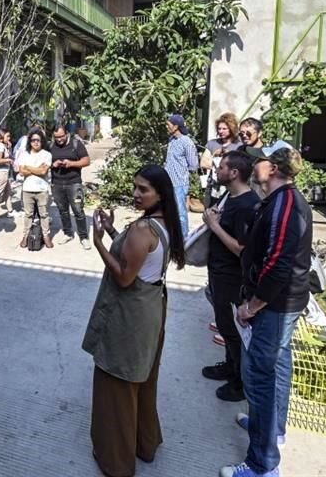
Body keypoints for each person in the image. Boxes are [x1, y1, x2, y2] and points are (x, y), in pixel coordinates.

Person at [83, 165, 186, 477]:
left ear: (160, 194)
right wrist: (116, 232)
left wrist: (99, 241)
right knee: (143, 381)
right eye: (135, 187)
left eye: (144, 189)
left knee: (118, 384)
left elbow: (126, 276)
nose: (136, 194)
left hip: (131, 318)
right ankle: (146, 443)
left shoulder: (143, 230)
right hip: (151, 310)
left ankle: (116, 461)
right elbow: (140, 262)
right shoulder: (163, 223)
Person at [220, 141, 312, 477]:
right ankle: (270, 430)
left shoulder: (285, 204)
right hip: (280, 302)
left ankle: (262, 464)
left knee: (259, 376)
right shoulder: (278, 201)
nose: (254, 165)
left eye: (259, 162)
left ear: (272, 169)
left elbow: (278, 264)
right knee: (274, 367)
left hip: (276, 305)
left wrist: (252, 306)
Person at [200, 152, 260, 403]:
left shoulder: (248, 204)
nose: (218, 169)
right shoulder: (230, 196)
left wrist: (214, 225)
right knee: (224, 324)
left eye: (223, 166)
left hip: (231, 276)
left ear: (234, 173)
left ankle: (238, 382)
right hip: (218, 270)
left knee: (232, 329)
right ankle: (229, 365)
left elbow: (241, 249)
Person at [50, 123, 92, 250]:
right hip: (57, 183)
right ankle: (68, 233)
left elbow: (87, 161)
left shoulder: (76, 144)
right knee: (63, 210)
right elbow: (45, 162)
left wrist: (72, 163)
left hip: (74, 183)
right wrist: (54, 164)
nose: (59, 139)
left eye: (61, 136)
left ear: (67, 134)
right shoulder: (51, 146)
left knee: (78, 210)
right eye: (56, 137)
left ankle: (84, 237)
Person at [162, 113, 199, 237]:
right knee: (168, 211)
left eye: (169, 125)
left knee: (180, 213)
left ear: (176, 126)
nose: (167, 127)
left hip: (179, 183)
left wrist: (181, 172)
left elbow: (194, 165)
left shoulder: (187, 142)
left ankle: (183, 238)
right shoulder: (171, 140)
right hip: (168, 182)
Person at [17, 128, 54, 249]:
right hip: (27, 189)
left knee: (44, 215)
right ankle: (25, 236)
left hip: (42, 190)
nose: (36, 142)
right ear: (30, 141)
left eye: (38, 140)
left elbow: (43, 171)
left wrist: (29, 168)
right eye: (33, 140)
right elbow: (21, 171)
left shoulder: (47, 154)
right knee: (28, 214)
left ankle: (46, 236)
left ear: (42, 141)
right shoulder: (24, 154)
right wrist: (36, 169)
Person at [202, 112, 243, 207]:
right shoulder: (212, 144)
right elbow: (203, 163)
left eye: (224, 129)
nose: (221, 131)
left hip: (231, 189)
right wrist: (214, 156)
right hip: (213, 188)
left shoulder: (239, 146)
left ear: (231, 129)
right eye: (219, 129)